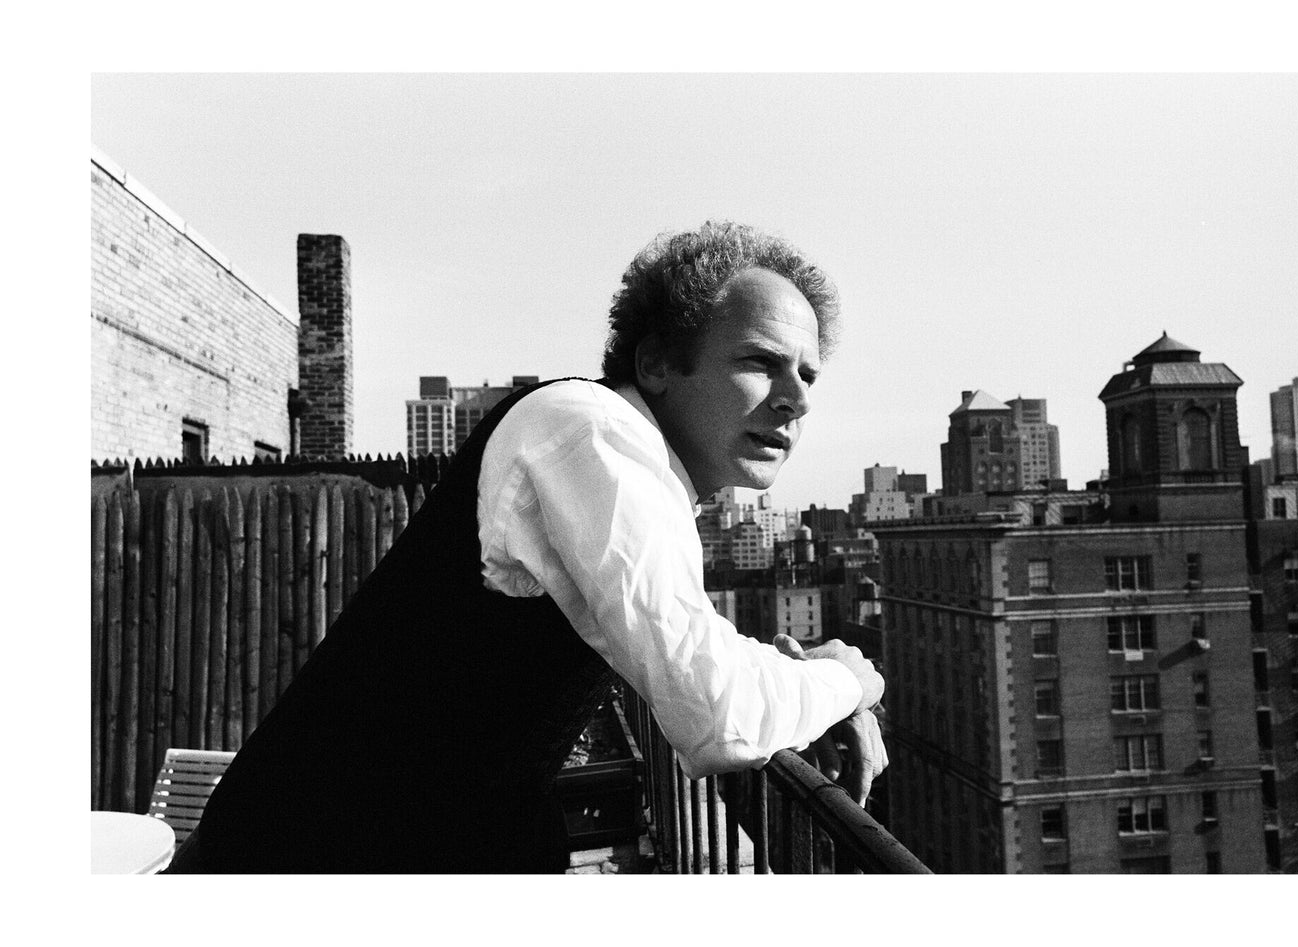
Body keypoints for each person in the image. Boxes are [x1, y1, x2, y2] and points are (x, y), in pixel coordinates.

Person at [166, 220, 884, 873]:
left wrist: (799, 676)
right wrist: (848, 679)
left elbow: (695, 645)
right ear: (660, 360)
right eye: (761, 361)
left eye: (808, 373)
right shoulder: (590, 431)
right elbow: (714, 711)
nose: (797, 397)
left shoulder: (635, 467)